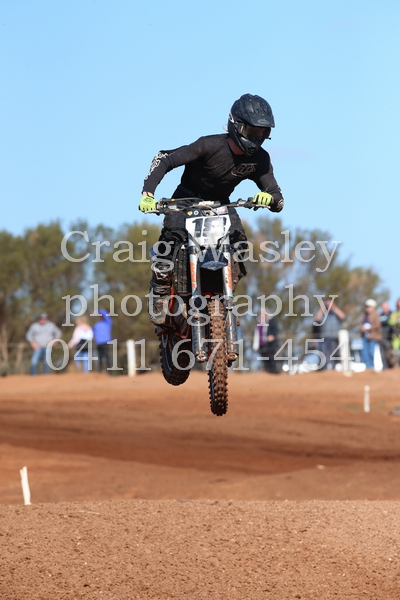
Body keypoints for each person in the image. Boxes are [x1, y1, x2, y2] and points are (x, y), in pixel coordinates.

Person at [139, 93, 284, 325]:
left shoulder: (261, 159)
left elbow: (278, 197)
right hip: (184, 201)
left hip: (221, 204)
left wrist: (269, 198)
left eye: (263, 133)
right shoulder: (208, 145)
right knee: (170, 242)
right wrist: (148, 194)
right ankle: (160, 289)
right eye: (252, 132)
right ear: (236, 126)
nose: (257, 139)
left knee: (239, 245)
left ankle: (224, 296)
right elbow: (164, 158)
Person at [314, 299, 345, 370]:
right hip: (324, 338)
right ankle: (324, 369)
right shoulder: (323, 314)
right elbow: (317, 319)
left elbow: (342, 316)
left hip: (334, 338)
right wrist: (322, 308)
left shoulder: (335, 313)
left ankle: (333, 369)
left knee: (334, 354)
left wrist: (334, 307)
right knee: (324, 354)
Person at [360, 299, 382, 369]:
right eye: (367, 306)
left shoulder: (376, 315)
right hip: (365, 336)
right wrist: (362, 327)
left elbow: (377, 325)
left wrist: (368, 329)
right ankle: (367, 366)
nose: (367, 308)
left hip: (373, 336)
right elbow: (360, 323)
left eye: (369, 306)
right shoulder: (364, 315)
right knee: (364, 352)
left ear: (373, 307)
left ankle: (372, 366)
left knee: (371, 351)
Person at [379, 301, 394, 369]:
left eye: (385, 307)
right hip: (382, 336)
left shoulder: (392, 314)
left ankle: (391, 366)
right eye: (383, 307)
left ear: (388, 307)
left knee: (390, 352)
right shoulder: (380, 315)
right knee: (383, 353)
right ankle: (385, 366)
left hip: (390, 337)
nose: (384, 309)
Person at [388, 299, 400, 367]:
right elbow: (390, 321)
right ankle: (396, 365)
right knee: (395, 351)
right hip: (396, 335)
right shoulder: (394, 313)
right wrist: (397, 320)